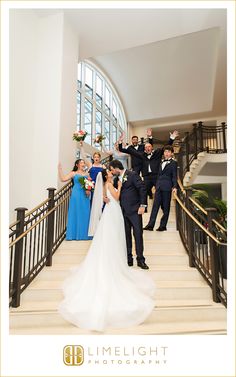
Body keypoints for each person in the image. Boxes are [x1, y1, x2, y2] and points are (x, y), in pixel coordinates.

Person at [58, 169, 155, 332]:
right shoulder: (110, 183)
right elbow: (115, 197)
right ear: (107, 176)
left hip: (111, 212)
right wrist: (120, 186)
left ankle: (128, 257)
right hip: (114, 212)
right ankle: (121, 258)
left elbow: (105, 198)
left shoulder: (104, 185)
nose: (111, 173)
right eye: (109, 172)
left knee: (113, 236)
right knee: (114, 236)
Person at [118, 130, 178, 206]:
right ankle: (144, 206)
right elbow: (125, 150)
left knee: (160, 190)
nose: (148, 148)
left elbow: (165, 148)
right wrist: (120, 142)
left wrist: (172, 138)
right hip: (146, 177)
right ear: (145, 149)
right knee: (144, 191)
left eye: (149, 146)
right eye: (146, 147)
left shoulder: (157, 153)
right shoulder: (142, 155)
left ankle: (162, 205)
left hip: (156, 176)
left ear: (152, 147)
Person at [109, 160, 149, 269]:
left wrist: (143, 205)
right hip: (123, 212)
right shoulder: (116, 179)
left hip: (135, 210)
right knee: (126, 236)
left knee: (138, 235)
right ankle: (128, 258)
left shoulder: (132, 175)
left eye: (112, 170)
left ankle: (140, 259)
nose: (112, 172)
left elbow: (142, 188)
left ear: (117, 167)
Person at [143, 145, 177, 231]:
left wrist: (174, 187)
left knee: (166, 207)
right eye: (165, 151)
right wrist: (157, 184)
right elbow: (158, 175)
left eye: (169, 152)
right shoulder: (161, 162)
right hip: (159, 187)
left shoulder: (173, 163)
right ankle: (150, 225)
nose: (166, 153)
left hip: (167, 187)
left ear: (172, 153)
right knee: (155, 206)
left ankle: (163, 226)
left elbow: (174, 176)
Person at [58, 160, 92, 240]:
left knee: (85, 212)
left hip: (85, 195)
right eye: (81, 163)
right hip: (76, 194)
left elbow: (89, 183)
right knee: (76, 212)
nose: (83, 164)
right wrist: (60, 170)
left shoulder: (87, 174)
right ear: (77, 165)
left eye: (84, 163)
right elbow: (63, 179)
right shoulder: (74, 173)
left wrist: (89, 189)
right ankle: (74, 234)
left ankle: (84, 234)